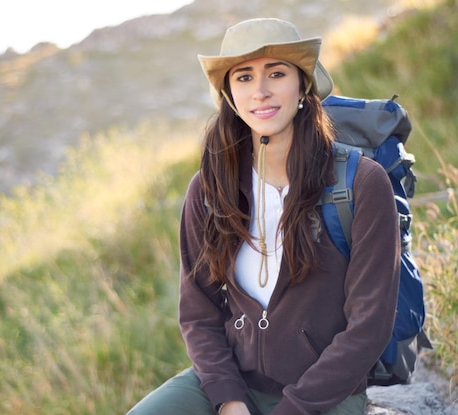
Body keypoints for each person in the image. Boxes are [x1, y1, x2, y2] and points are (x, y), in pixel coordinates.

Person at [127, 18, 400, 415]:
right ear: (229, 94)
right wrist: (228, 399)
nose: (260, 91)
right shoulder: (208, 189)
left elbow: (368, 327)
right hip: (232, 383)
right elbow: (198, 313)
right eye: (243, 77)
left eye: (276, 73)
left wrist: (294, 407)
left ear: (303, 84)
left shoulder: (360, 182)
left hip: (326, 394)